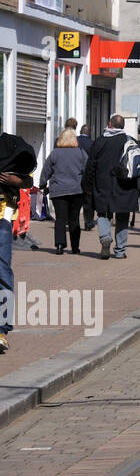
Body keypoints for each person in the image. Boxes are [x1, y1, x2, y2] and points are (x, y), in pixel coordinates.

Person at [83, 114, 140, 260]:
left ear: (109, 124)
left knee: (103, 214)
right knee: (122, 217)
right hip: (125, 185)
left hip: (103, 183)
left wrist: (87, 185)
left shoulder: (100, 142)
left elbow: (91, 166)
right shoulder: (130, 141)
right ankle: (120, 250)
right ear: (123, 126)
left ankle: (105, 237)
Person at [0, 132, 37, 353]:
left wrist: (16, 180)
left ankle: (1, 329)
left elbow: (29, 179)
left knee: (2, 269)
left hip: (3, 213)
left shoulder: (9, 145)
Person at [39, 127, 88, 255]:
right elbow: (87, 170)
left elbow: (46, 170)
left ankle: (60, 245)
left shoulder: (55, 153)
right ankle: (75, 247)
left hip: (58, 190)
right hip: (76, 190)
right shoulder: (81, 152)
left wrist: (42, 184)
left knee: (60, 219)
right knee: (74, 219)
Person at [77, 125, 96, 230]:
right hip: (88, 175)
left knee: (76, 200)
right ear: (89, 133)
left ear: (80, 131)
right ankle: (88, 222)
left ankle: (73, 221)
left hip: (75, 175)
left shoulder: (74, 141)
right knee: (88, 200)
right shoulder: (92, 143)